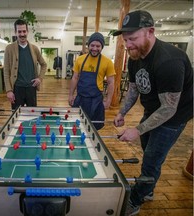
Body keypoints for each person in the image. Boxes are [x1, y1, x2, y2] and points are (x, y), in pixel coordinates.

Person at [112, 10, 193, 215]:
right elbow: (134, 87)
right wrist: (122, 112)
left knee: (152, 159)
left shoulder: (169, 62)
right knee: (147, 147)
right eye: (125, 40)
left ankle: (136, 200)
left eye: (132, 39)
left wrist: (138, 129)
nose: (128, 45)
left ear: (150, 32)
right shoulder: (134, 56)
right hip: (153, 109)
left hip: (174, 117)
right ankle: (148, 189)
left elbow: (169, 108)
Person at [68, 32, 115, 130]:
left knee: (94, 129)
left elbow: (111, 82)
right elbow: (75, 78)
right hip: (80, 99)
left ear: (102, 47)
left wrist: (108, 100)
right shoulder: (80, 60)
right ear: (88, 46)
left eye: (98, 46)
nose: (94, 48)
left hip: (96, 101)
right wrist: (71, 95)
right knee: (77, 126)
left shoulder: (107, 62)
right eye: (92, 45)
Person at [3, 19, 47, 110]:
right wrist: (9, 90)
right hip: (17, 89)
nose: (22, 34)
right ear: (15, 32)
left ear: (27, 31)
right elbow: (6, 71)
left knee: (33, 114)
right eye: (19, 31)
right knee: (16, 115)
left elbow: (44, 64)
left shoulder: (34, 49)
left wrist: (40, 78)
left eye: (24, 31)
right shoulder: (9, 48)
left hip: (31, 88)